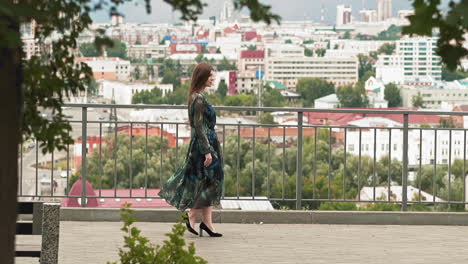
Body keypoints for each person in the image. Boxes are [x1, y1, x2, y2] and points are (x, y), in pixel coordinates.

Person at [159, 62, 224, 237]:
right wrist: (208, 151)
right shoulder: (199, 99)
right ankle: (193, 214)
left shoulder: (197, 96)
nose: (213, 78)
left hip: (203, 144)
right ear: (202, 77)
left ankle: (207, 224)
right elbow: (199, 126)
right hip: (204, 145)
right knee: (210, 182)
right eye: (210, 76)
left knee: (207, 182)